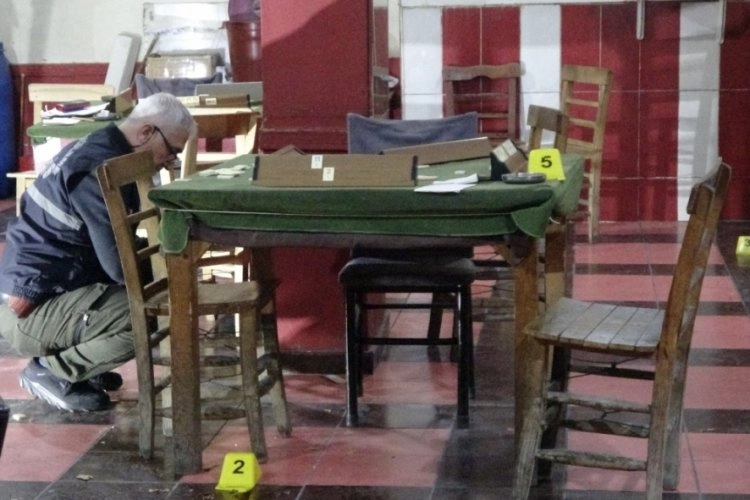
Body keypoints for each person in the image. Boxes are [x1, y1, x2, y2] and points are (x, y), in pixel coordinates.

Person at [0, 92, 196, 412]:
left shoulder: (107, 148)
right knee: (144, 314)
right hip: (28, 311)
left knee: (152, 280)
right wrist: (169, 267)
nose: (169, 161)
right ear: (146, 132)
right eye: (172, 151)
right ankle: (53, 371)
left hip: (53, 289)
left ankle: (83, 360)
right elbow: (118, 266)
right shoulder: (98, 169)